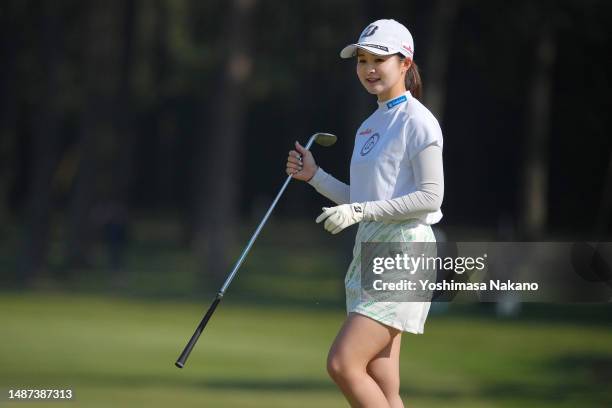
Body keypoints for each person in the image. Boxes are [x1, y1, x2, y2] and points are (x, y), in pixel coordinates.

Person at [286, 19, 444, 407]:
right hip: (369, 250)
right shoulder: (369, 126)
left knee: (343, 363)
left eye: (379, 59)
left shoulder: (419, 121)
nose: (369, 68)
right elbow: (364, 197)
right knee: (383, 383)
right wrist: (315, 177)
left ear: (405, 62)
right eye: (362, 60)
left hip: (405, 252)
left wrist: (361, 209)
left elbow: (430, 197)